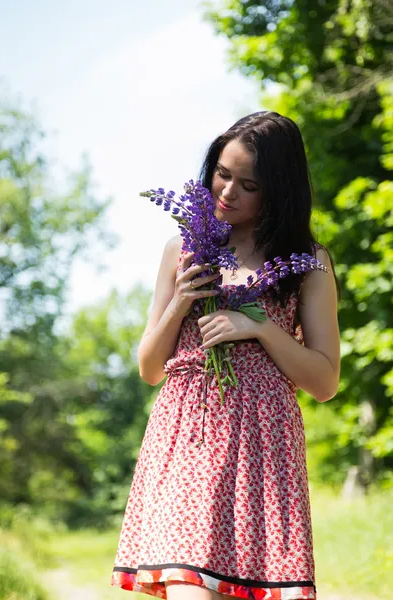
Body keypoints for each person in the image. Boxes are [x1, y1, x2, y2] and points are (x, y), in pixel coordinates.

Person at [111, 111, 341, 600]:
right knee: (188, 587)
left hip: (264, 449)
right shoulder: (184, 249)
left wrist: (258, 328)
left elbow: (324, 382)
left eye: (249, 184)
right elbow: (149, 369)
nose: (228, 192)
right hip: (187, 437)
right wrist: (181, 302)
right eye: (222, 173)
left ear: (279, 189)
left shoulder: (310, 262)